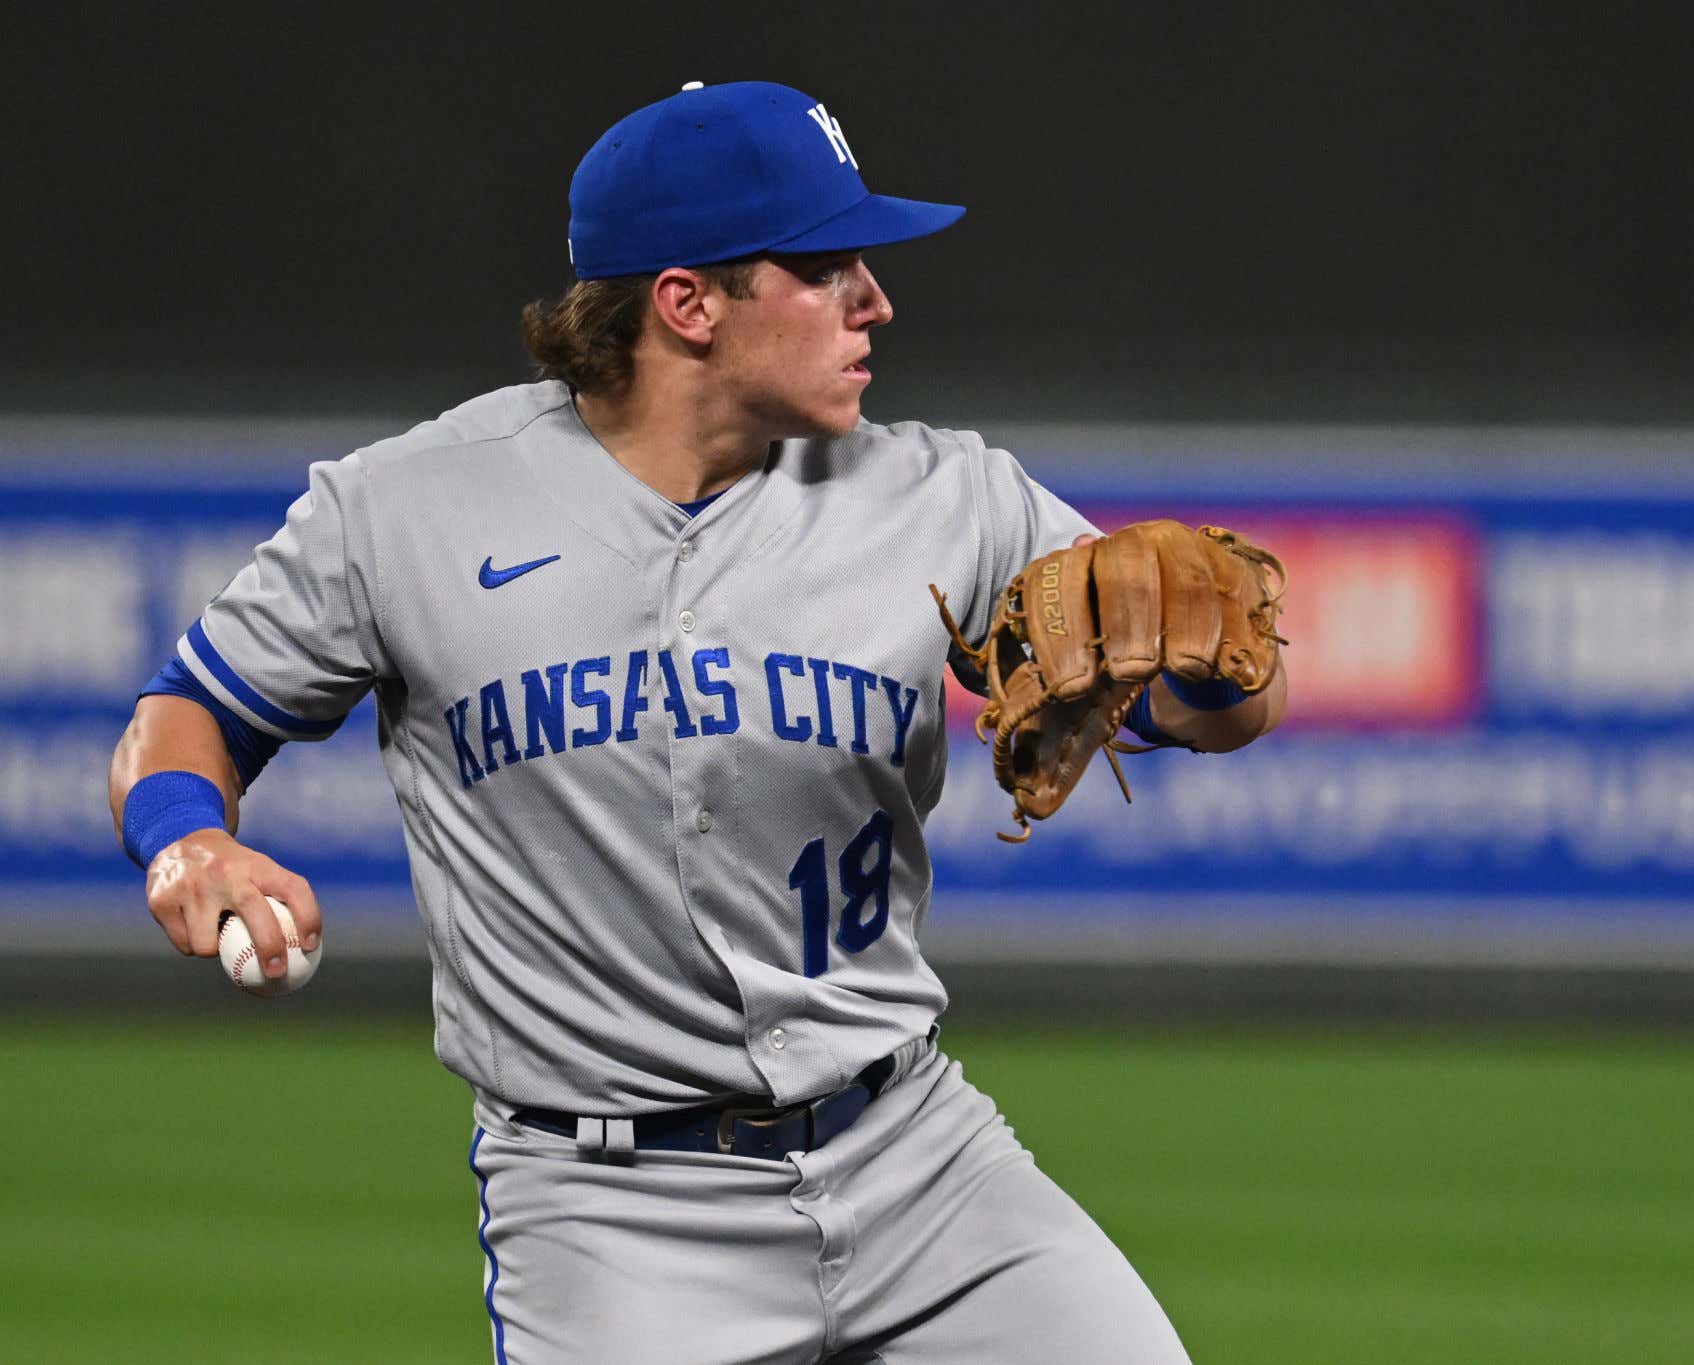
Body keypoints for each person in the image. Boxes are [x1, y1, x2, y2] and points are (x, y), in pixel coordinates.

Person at [108, 80, 1286, 1364]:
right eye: (828, 264)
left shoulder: (949, 500)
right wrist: (189, 839)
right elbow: (190, 714)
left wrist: (1217, 669)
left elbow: (1217, 710)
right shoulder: (403, 512)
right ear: (687, 303)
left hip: (916, 1159)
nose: (874, 299)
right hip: (611, 1213)